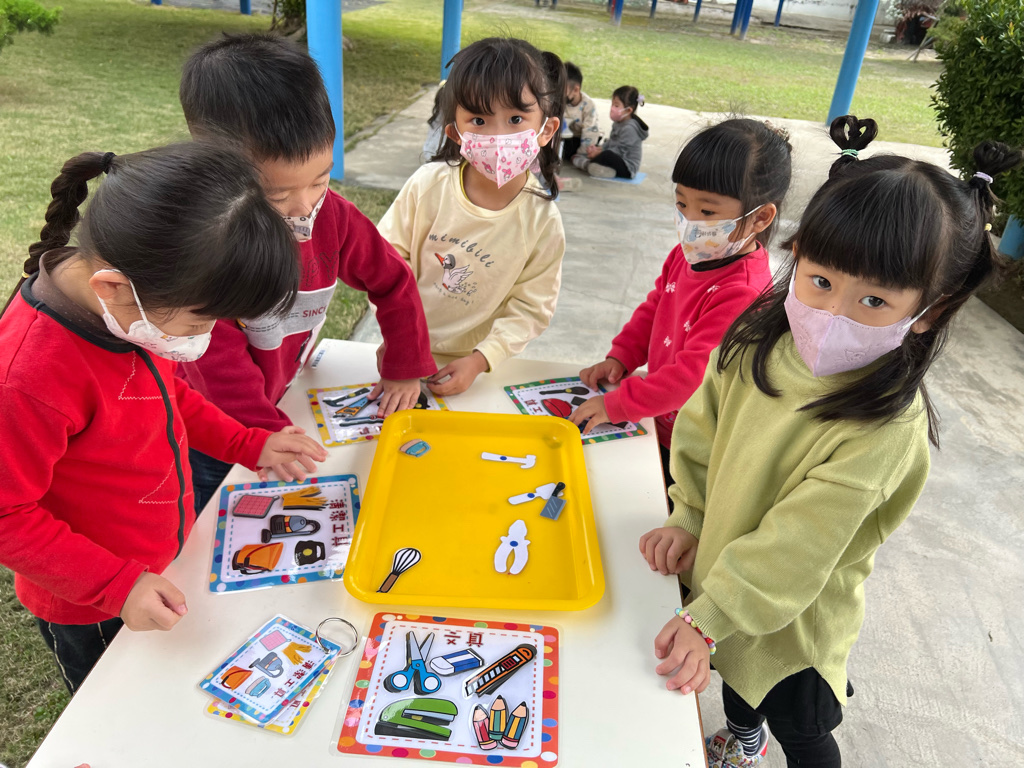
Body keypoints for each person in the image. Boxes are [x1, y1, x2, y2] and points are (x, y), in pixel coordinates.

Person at [640, 116, 1022, 768]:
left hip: (794, 626)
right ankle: (744, 738)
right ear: (797, 256)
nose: (832, 313)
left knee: (804, 730)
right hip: (724, 591)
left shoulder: (884, 429)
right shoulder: (755, 342)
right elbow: (701, 433)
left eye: (874, 302)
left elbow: (798, 546)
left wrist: (712, 615)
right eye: (819, 281)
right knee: (737, 690)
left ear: (929, 310)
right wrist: (690, 516)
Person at [0, 143, 328, 694]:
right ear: (113, 288)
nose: (206, 337)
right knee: (117, 706)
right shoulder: (27, 378)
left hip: (157, 564)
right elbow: (6, 513)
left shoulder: (130, 310)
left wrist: (247, 443)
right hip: (93, 603)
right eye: (200, 321)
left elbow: (170, 396)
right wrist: (117, 586)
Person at [178, 33, 436, 511]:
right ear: (215, 169)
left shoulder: (332, 215)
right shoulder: (207, 246)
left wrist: (405, 365)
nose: (303, 207)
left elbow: (392, 280)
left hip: (285, 395)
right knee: (212, 516)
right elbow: (216, 363)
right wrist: (266, 433)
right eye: (276, 196)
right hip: (218, 427)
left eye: (320, 179)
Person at [572, 119, 792, 489]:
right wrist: (622, 357)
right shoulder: (687, 254)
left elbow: (692, 377)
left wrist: (616, 405)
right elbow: (656, 307)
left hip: (695, 447)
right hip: (658, 420)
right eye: (681, 203)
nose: (689, 222)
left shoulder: (743, 291)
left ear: (760, 217)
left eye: (707, 213)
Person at [376, 37, 566, 396]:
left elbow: (531, 307)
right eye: (478, 119)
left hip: (476, 368)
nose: (498, 136)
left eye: (515, 119)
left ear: (546, 130)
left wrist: (480, 360)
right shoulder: (427, 186)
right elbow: (386, 264)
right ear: (455, 132)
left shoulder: (542, 221)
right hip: (403, 348)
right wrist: (398, 341)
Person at [572, 85, 648, 179]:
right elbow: (612, 142)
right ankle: (600, 168)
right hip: (616, 158)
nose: (612, 108)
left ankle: (587, 165)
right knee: (601, 151)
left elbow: (620, 151)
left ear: (628, 110)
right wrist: (599, 149)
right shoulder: (618, 123)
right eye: (612, 104)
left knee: (607, 155)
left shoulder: (630, 128)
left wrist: (600, 153)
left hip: (627, 167)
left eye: (616, 105)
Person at [561, 61, 600, 163]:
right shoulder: (561, 101)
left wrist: (581, 154)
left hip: (583, 138)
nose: (559, 93)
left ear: (576, 90)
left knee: (568, 151)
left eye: (562, 90)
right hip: (567, 136)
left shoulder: (588, 106)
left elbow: (589, 133)